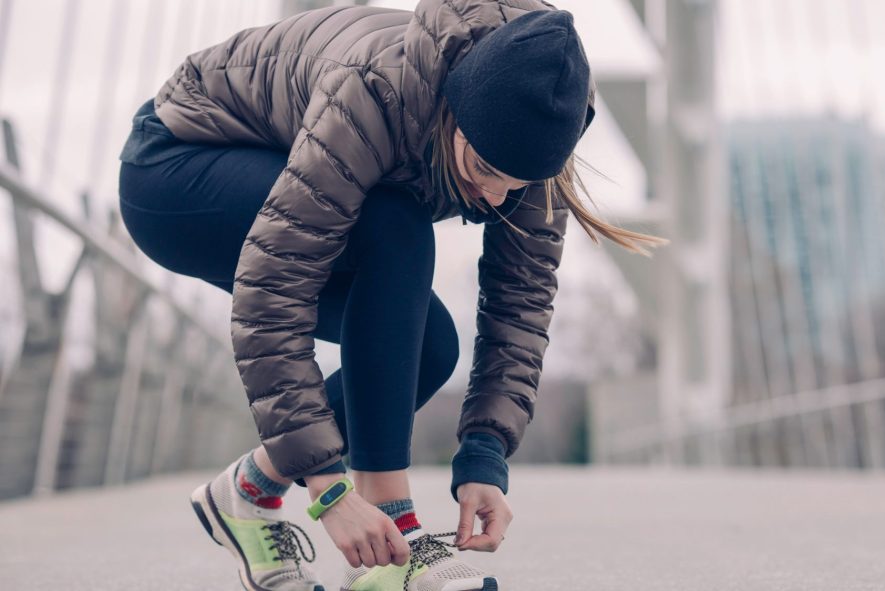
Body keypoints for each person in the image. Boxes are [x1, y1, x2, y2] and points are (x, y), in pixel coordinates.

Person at [116, 2, 666, 590]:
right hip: (177, 167)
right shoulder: (374, 92)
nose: (497, 196)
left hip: (280, 176)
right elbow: (275, 293)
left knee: (426, 346)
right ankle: (392, 528)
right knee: (395, 222)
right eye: (483, 167)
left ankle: (248, 490)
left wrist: (485, 453)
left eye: (518, 185)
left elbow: (521, 304)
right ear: (457, 109)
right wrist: (329, 486)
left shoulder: (534, 142)